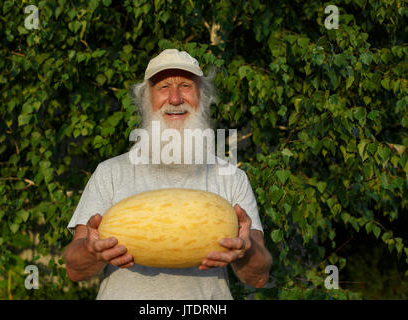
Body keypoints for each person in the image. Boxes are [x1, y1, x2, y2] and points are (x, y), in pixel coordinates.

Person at [63, 49, 272, 300]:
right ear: (145, 99)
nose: (175, 98)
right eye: (163, 87)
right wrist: (91, 251)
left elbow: (258, 277)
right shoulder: (110, 173)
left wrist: (246, 251)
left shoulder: (231, 177)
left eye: (185, 85)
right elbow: (75, 270)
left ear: (202, 97)